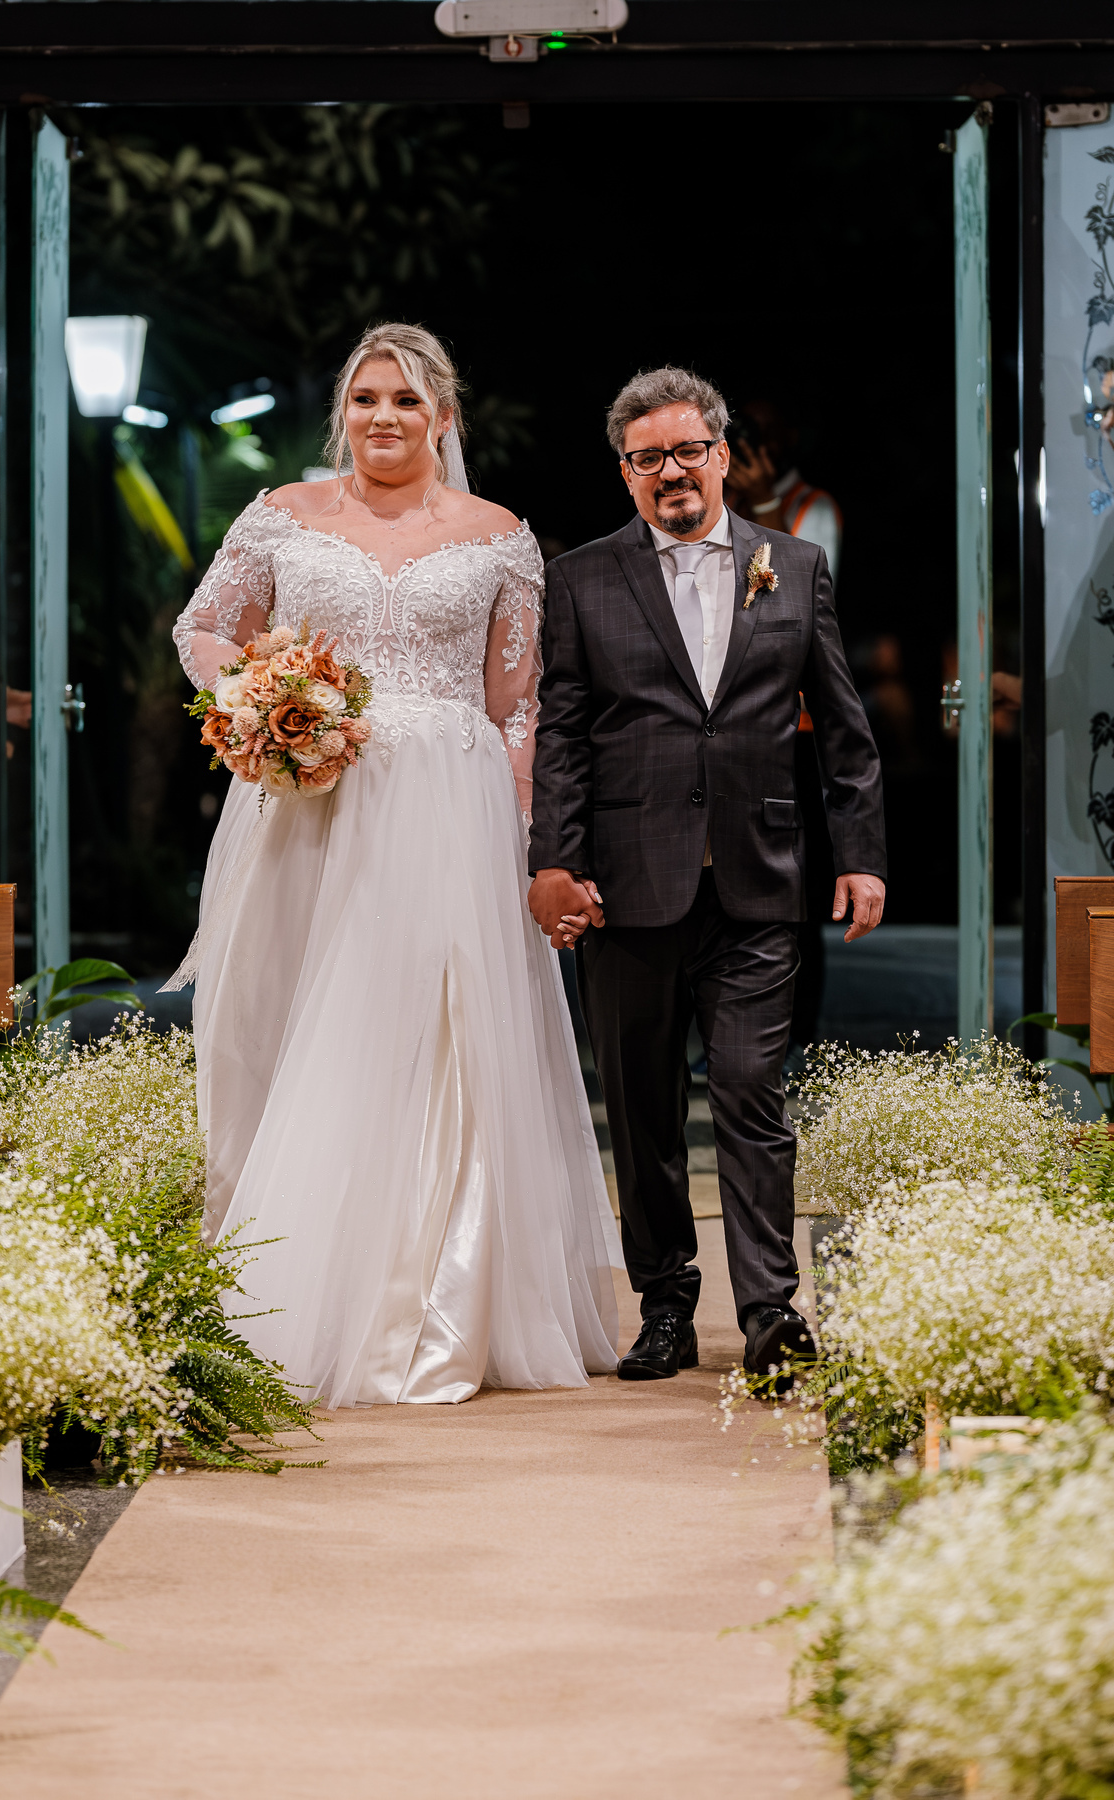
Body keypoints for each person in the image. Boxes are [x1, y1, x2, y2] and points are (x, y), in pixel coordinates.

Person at [167, 322, 620, 1408]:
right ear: (344, 414)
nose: (384, 417)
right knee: (296, 1022)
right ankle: (287, 1289)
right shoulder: (282, 516)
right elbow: (203, 633)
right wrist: (266, 699)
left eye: (408, 402)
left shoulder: (502, 537)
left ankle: (433, 1301)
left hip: (451, 811)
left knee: (441, 1042)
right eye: (367, 398)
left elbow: (521, 706)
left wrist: (522, 833)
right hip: (310, 804)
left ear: (443, 418)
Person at [527, 367, 886, 1382]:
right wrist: (554, 861)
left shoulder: (796, 565)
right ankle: (667, 1307)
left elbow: (847, 737)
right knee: (640, 1109)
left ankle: (771, 1311)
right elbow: (561, 734)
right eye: (649, 459)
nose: (672, 472)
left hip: (761, 883)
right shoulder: (585, 578)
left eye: (690, 451)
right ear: (627, 472)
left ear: (724, 455)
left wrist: (860, 858)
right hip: (627, 886)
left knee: (749, 1091)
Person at [723, 396, 843, 582]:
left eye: (768, 430)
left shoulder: (814, 504)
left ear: (790, 436)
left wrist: (763, 500)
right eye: (749, 429)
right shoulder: (729, 495)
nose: (757, 442)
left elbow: (805, 588)